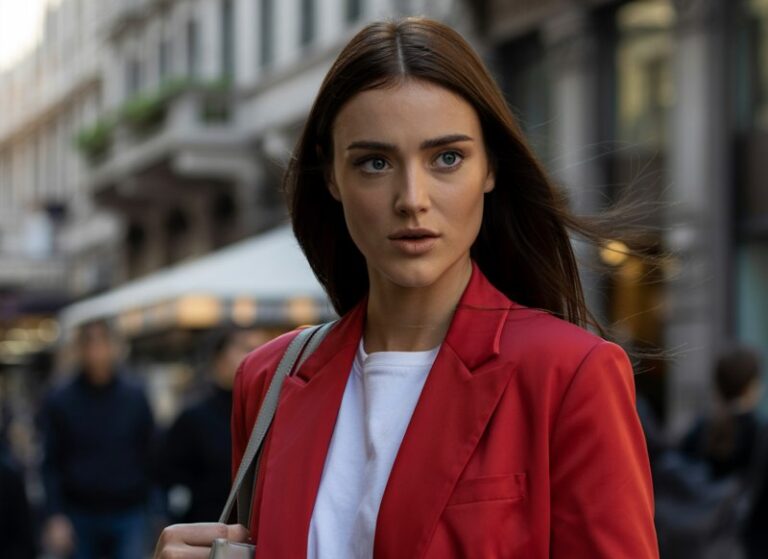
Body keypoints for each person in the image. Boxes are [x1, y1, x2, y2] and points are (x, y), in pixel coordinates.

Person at [155, 17, 658, 558]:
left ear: (490, 168)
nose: (412, 198)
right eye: (375, 162)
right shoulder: (268, 378)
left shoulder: (569, 374)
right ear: (332, 179)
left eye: (447, 158)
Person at [40, 318, 155, 559]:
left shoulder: (135, 397)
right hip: (80, 511)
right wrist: (54, 515)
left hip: (129, 510)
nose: (97, 351)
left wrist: (155, 509)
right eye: (89, 343)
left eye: (103, 342)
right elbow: (50, 462)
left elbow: (151, 454)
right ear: (79, 349)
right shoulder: (60, 400)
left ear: (115, 347)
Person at [158, 328, 271, 523]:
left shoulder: (267, 413)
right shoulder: (193, 416)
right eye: (246, 348)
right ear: (218, 359)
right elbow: (170, 476)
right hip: (205, 528)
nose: (255, 357)